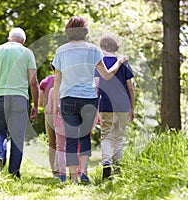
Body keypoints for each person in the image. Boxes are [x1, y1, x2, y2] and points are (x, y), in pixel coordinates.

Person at [52, 16, 126, 183]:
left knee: (71, 138)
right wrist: (119, 62)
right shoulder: (93, 50)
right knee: (85, 136)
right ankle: (83, 173)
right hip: (88, 99)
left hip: (67, 98)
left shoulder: (61, 51)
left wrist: (57, 102)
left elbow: (57, 79)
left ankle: (73, 179)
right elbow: (106, 75)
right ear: (85, 31)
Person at [0, 27, 39, 179]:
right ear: (23, 41)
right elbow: (34, 82)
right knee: (17, 136)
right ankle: (14, 173)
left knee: (0, 131)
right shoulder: (27, 53)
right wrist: (35, 104)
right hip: (20, 98)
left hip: (0, 97)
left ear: (9, 38)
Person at [94, 34, 135, 180]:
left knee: (106, 136)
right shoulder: (123, 63)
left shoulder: (100, 62)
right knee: (118, 138)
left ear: (102, 47)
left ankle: (106, 163)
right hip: (123, 105)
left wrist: (96, 108)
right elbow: (130, 88)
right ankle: (118, 168)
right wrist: (132, 107)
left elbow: (97, 88)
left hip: (106, 105)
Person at [39, 65, 59, 178]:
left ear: (51, 68)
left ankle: (54, 172)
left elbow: (40, 103)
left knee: (52, 143)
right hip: (63, 113)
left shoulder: (46, 81)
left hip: (49, 113)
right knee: (63, 143)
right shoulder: (68, 80)